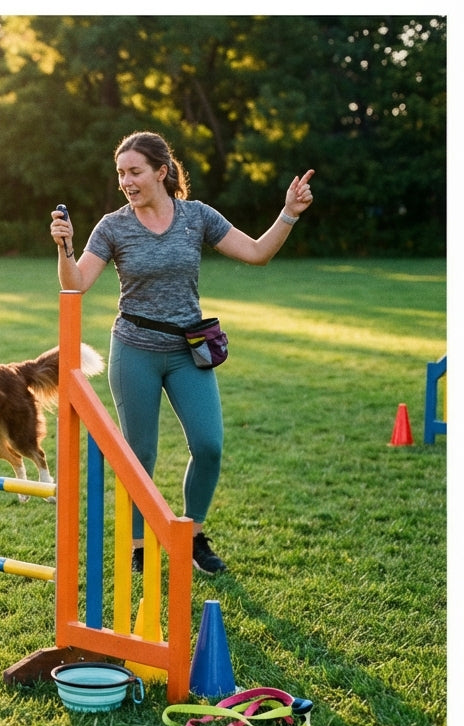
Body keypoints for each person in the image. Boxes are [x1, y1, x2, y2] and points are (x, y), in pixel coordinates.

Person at [50, 131, 314, 575]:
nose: (126, 181)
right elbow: (75, 284)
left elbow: (256, 253)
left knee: (209, 446)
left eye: (135, 172)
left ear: (161, 171)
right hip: (134, 348)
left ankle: (192, 534)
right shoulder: (113, 226)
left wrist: (288, 213)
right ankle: (140, 544)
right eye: (120, 173)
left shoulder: (196, 217)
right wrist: (66, 249)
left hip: (188, 349)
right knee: (140, 455)